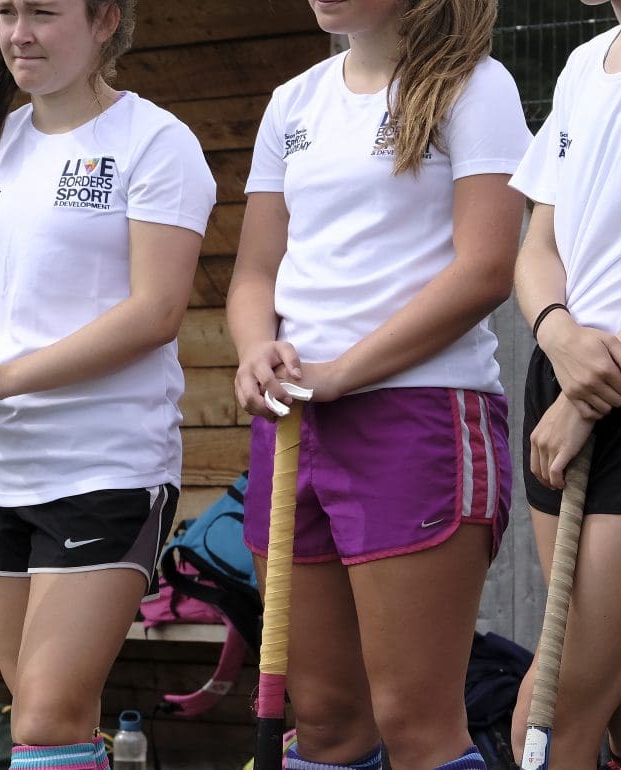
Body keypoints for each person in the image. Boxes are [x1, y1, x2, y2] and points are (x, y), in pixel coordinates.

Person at [224, 0, 527, 766]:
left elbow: (488, 266)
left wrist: (341, 374)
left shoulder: (475, 85)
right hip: (292, 425)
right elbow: (256, 270)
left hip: (419, 414)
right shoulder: (293, 101)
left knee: (414, 721)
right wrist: (257, 349)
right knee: (325, 720)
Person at [0, 1, 212, 766]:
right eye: (8, 12)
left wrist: (5, 375)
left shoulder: (156, 142)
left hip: (105, 467)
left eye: (43, 13)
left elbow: (155, 310)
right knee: (46, 726)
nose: (19, 32)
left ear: (106, 19)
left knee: (46, 719)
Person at [508, 0, 621, 763]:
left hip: (602, 390)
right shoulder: (587, 63)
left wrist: (591, 387)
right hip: (563, 378)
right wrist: (557, 335)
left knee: (548, 723)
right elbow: (540, 242)